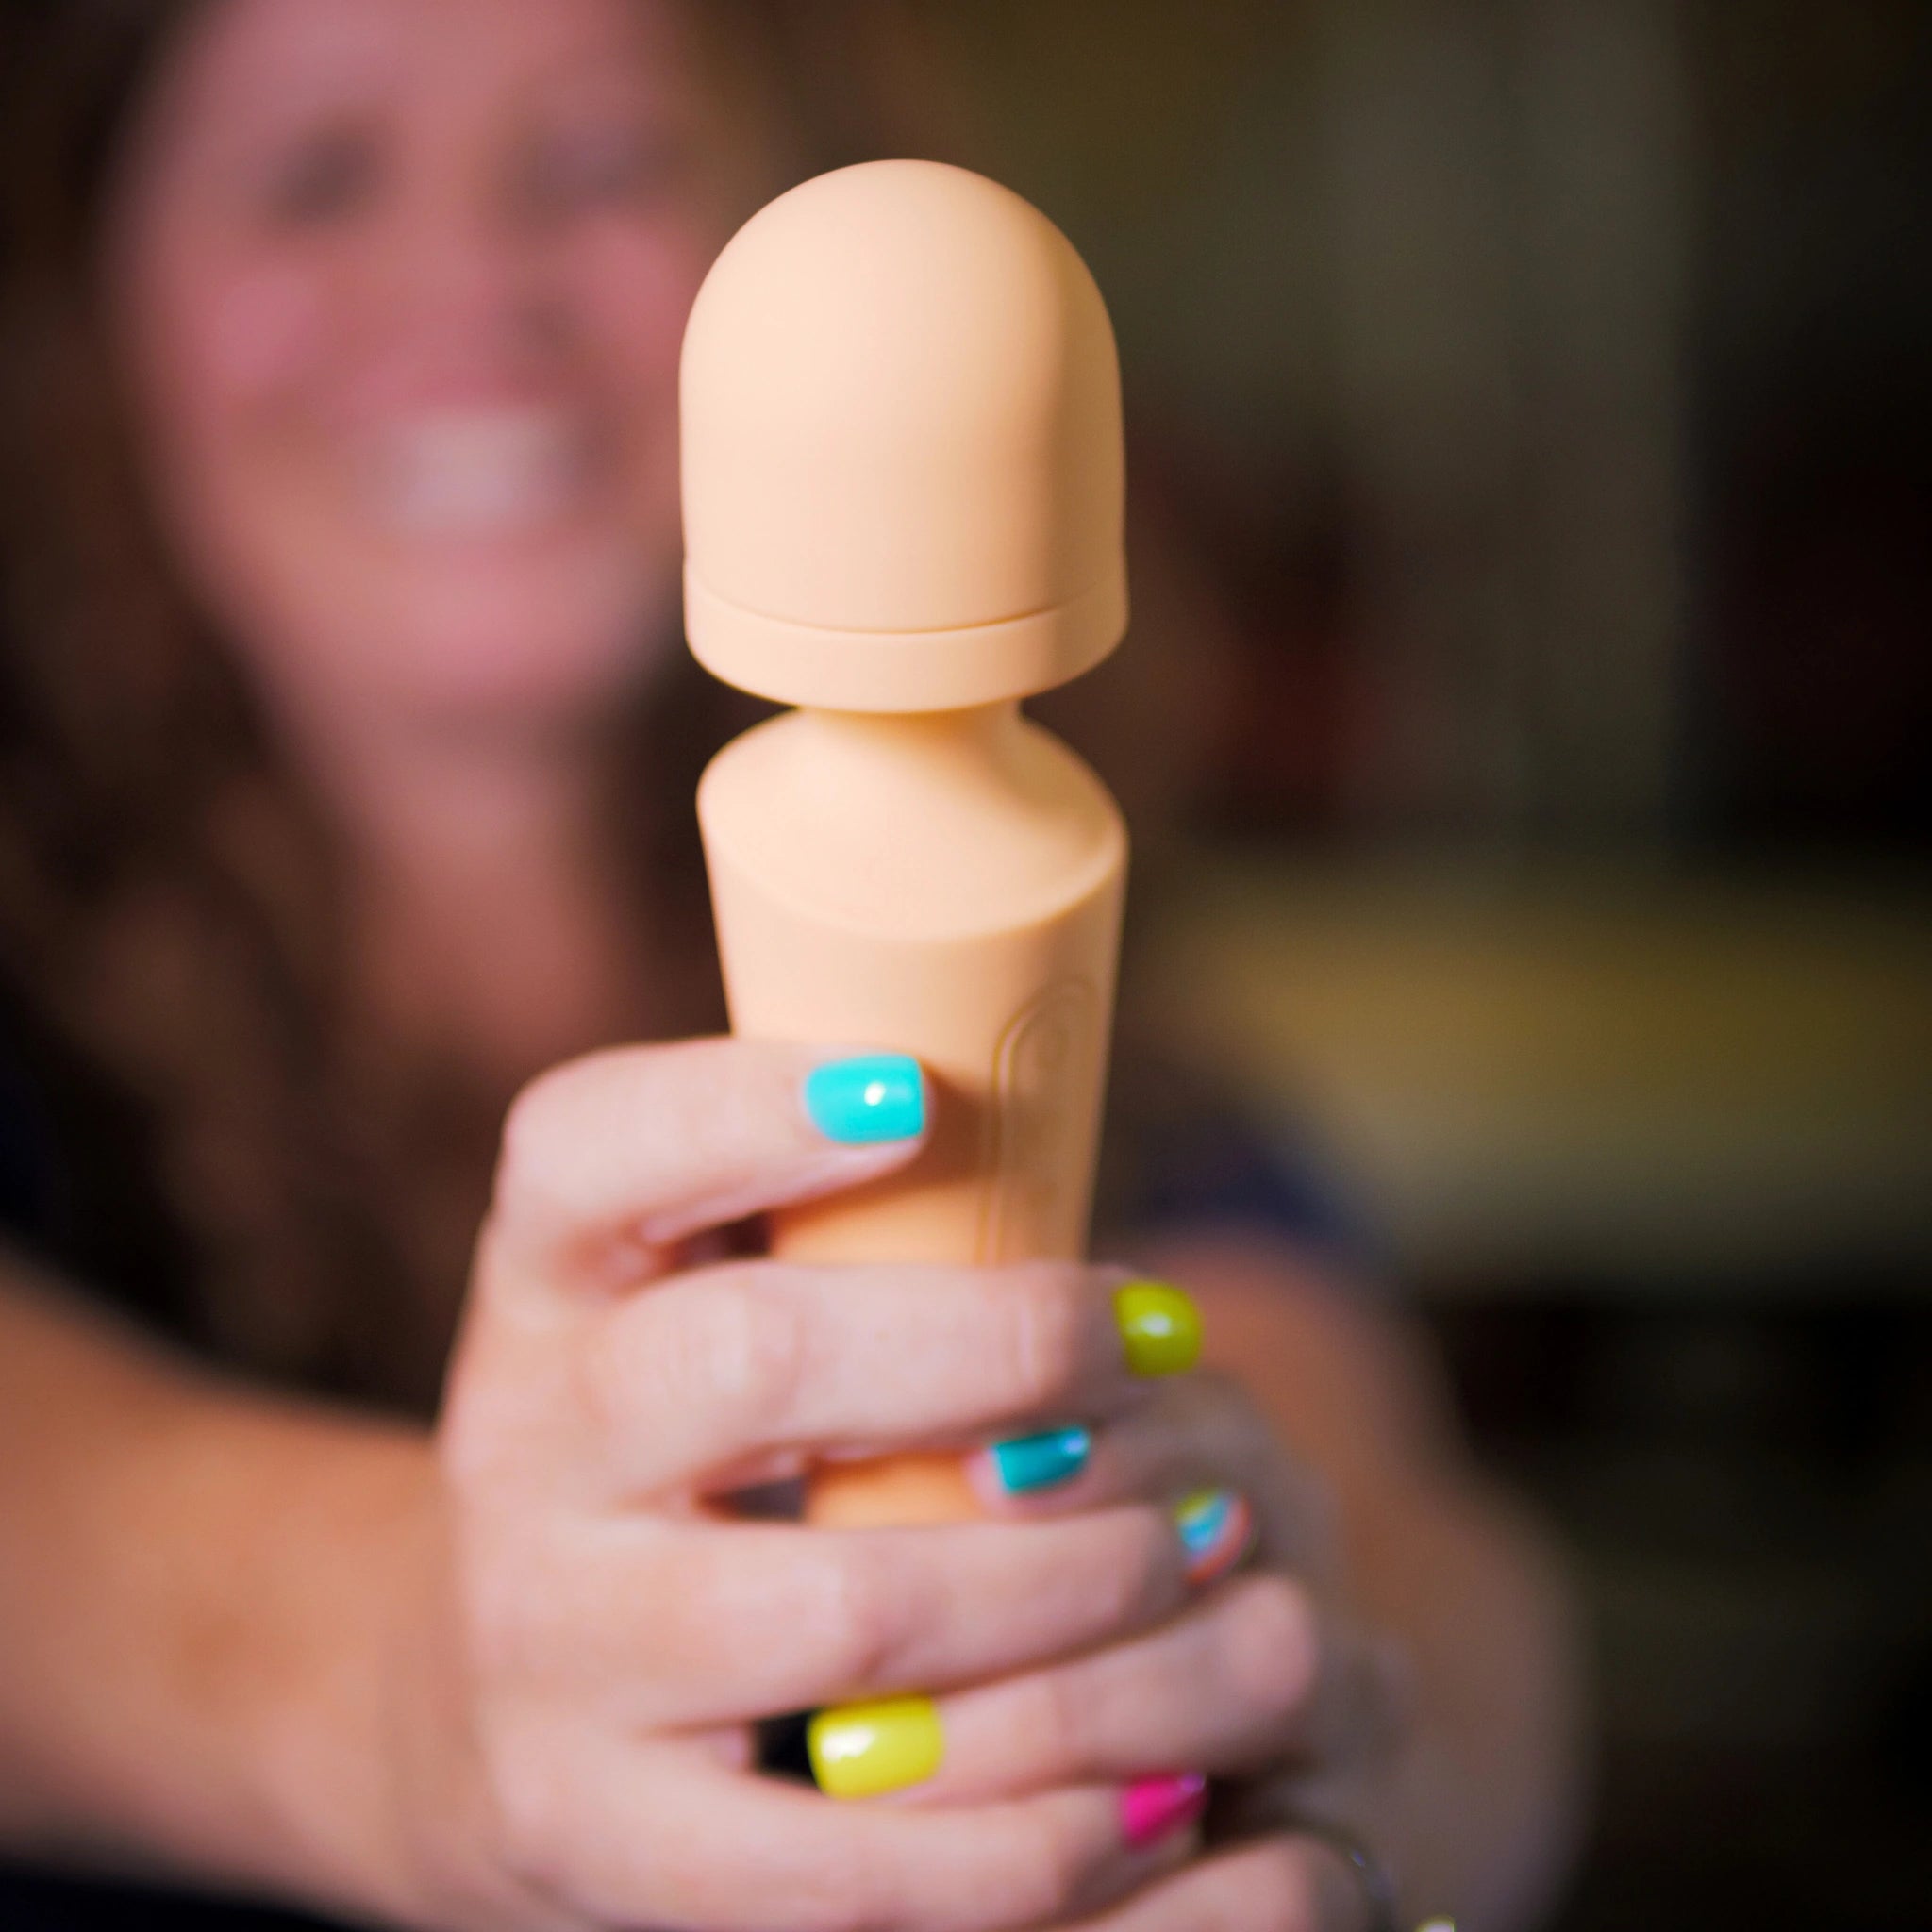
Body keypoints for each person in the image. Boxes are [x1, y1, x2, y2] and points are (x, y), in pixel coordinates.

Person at [0, 2, 1584, 1927]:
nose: (465, 281)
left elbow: (1426, 1559)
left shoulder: (1070, 957)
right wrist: (408, 1684)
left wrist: (1329, 1735)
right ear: (98, 297)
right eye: (315, 178)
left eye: (593, 160)